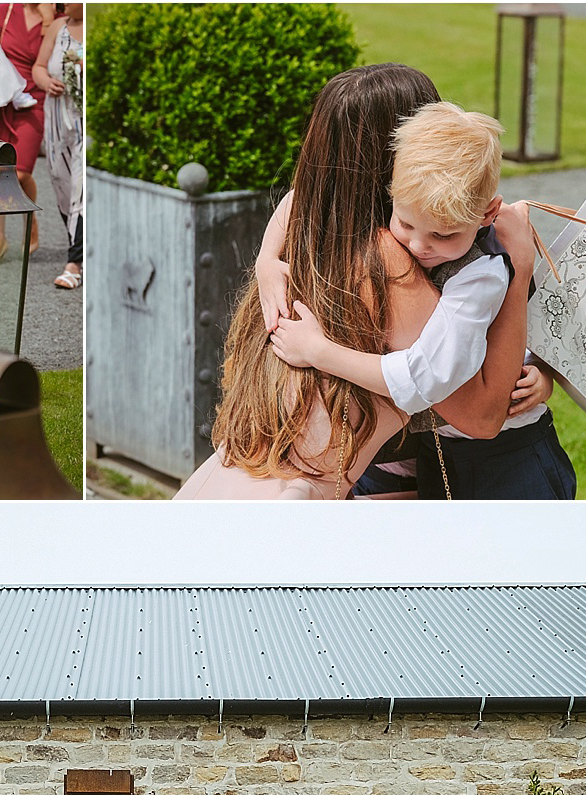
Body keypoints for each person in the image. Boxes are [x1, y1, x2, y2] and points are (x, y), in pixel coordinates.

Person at [174, 64, 535, 500]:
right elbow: (481, 416)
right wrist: (517, 271)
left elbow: (294, 198)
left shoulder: (308, 228)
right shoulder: (386, 263)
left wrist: (267, 260)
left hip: (238, 473)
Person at [264, 101, 573, 499]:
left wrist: (318, 351)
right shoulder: (436, 212)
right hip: (439, 454)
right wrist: (267, 259)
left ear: (488, 213)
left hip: (506, 465)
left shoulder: (482, 276)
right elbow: (311, 196)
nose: (419, 245)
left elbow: (421, 379)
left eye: (443, 236)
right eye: (406, 223)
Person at [0, 3, 54, 257]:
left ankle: (29, 222)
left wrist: (49, 20)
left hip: (33, 100)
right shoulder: (6, 10)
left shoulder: (59, 19)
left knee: (19, 173)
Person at [33, 2, 83, 290]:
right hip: (56, 120)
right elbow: (38, 66)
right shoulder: (57, 26)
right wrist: (45, 81)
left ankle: (73, 264)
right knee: (62, 184)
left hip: (84, 122)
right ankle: (79, 248)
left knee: (80, 187)